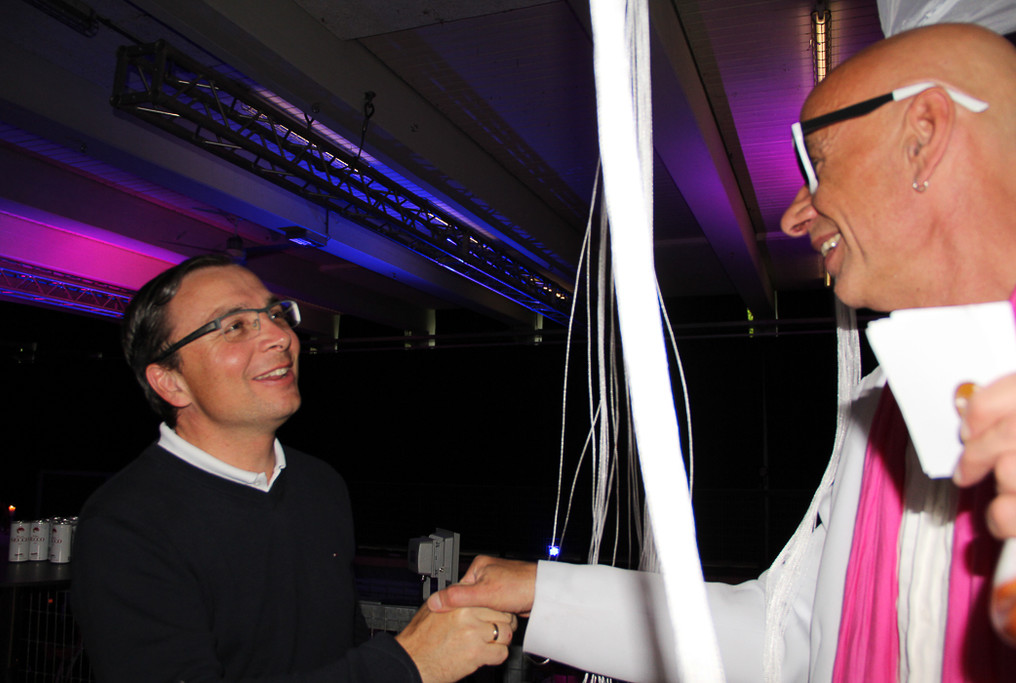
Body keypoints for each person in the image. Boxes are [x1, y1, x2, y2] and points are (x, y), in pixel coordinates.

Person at [428, 23, 1016, 682]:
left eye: (818, 164)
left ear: (924, 135)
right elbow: (781, 639)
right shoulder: (885, 406)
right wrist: (540, 589)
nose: (795, 215)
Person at [71, 253, 517, 683]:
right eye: (235, 326)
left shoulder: (319, 484)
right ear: (171, 382)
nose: (279, 336)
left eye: (275, 314)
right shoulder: (125, 525)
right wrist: (409, 664)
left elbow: (342, 647)